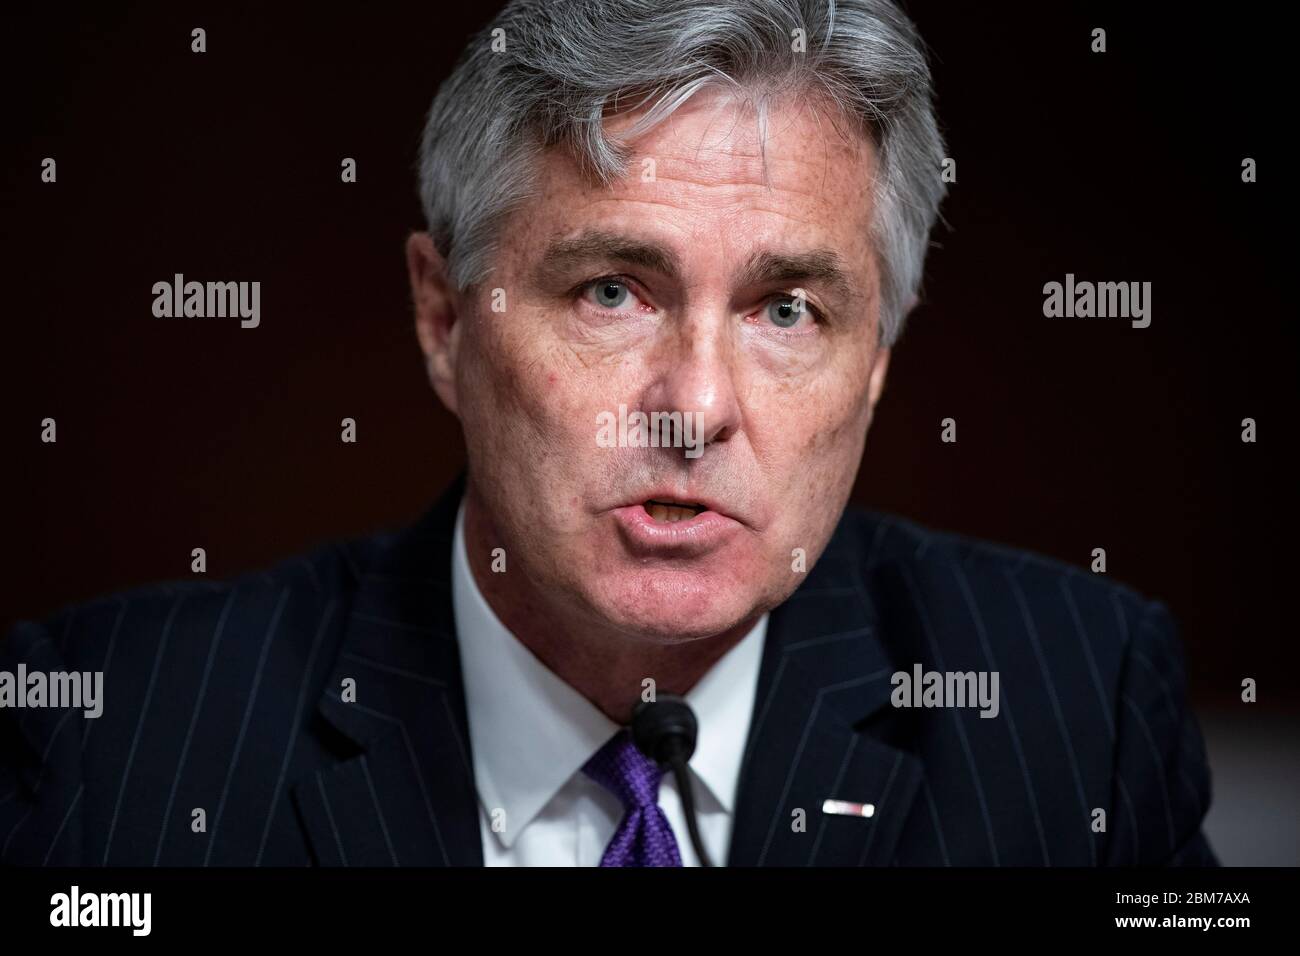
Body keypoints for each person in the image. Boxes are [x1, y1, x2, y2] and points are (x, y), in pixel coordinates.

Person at [0, 0, 1215, 867]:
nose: (695, 405)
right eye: (611, 291)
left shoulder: (1076, 710)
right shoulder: (114, 740)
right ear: (441, 319)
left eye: (786, 309)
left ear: (878, 362)